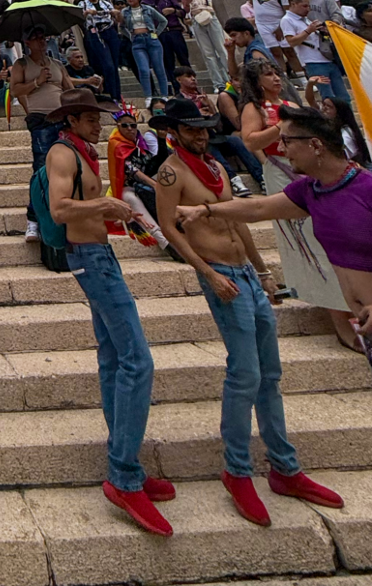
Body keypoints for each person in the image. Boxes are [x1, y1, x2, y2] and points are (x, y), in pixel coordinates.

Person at [154, 100, 344, 525]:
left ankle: (285, 466)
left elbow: (239, 219)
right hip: (219, 273)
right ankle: (237, 470)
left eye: (205, 128)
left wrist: (262, 270)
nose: (201, 135)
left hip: (244, 270)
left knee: (270, 374)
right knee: (245, 373)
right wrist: (207, 273)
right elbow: (170, 228)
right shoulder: (171, 171)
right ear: (175, 131)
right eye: (193, 129)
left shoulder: (216, 167)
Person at [45, 86, 171, 535]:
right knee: (137, 359)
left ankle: (126, 459)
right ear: (73, 120)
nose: (100, 126)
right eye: (92, 119)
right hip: (90, 259)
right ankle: (123, 474)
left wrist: (118, 214)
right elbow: (59, 210)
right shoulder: (62, 154)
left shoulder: (82, 151)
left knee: (114, 357)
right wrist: (107, 204)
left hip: (100, 252)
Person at [183, 102, 372, 345]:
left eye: (287, 141)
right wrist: (205, 210)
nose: (281, 149)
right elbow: (257, 208)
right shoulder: (310, 190)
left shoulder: (365, 188)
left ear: (315, 145)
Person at [236, 58, 356, 349]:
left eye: (277, 72)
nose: (276, 78)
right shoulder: (254, 108)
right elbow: (250, 141)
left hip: (308, 170)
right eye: (268, 74)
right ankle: (336, 312)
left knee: (329, 234)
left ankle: (345, 300)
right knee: (310, 239)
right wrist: (281, 127)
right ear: (257, 81)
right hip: (281, 171)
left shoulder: (287, 100)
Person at [11, 27, 76, 242]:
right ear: (27, 42)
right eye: (36, 38)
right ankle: (33, 219)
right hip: (41, 120)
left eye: (43, 37)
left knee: (69, 167)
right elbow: (15, 91)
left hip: (62, 119)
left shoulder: (57, 64)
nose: (41, 41)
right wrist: (37, 81)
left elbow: (69, 89)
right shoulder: (21, 65)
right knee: (41, 168)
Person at [105, 107, 171, 251]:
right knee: (131, 198)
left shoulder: (139, 144)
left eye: (133, 125)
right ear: (118, 127)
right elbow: (131, 170)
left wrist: (161, 139)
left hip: (144, 185)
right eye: (125, 125)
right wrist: (153, 184)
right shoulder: (116, 144)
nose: (130, 129)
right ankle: (165, 242)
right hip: (125, 188)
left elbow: (154, 163)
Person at [280, 0, 348, 100]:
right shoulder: (287, 20)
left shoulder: (305, 19)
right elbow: (291, 41)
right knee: (328, 97)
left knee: (343, 96)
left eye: (308, 6)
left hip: (327, 59)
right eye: (304, 6)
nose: (308, 9)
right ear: (293, 4)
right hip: (313, 62)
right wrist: (309, 30)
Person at [180, 0, 230, 90]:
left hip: (210, 16)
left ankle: (230, 78)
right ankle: (218, 83)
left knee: (221, 49)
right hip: (196, 19)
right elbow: (185, 9)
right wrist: (187, 0)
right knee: (208, 54)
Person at [118, 0, 170, 106]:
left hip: (151, 38)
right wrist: (130, 36)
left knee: (159, 68)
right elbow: (121, 27)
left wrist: (156, 33)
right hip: (137, 41)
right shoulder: (125, 12)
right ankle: (148, 96)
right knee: (143, 69)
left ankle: (164, 95)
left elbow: (163, 21)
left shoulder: (148, 9)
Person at [237, 0, 291, 71]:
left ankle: (302, 78)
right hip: (263, 25)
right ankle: (283, 76)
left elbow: (288, 11)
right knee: (275, 53)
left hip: (278, 24)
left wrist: (281, 28)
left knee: (289, 52)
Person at [81, 0, 122, 100]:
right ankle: (111, 92)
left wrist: (116, 13)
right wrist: (87, 12)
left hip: (110, 31)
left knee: (114, 64)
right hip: (95, 32)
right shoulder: (83, 3)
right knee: (107, 64)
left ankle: (117, 95)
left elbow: (118, 19)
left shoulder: (106, 3)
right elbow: (81, 17)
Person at [143, 0, 190, 77]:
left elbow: (182, 12)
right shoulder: (144, 2)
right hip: (159, 34)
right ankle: (175, 87)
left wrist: (173, 10)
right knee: (167, 62)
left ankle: (191, 83)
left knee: (183, 58)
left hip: (174, 31)